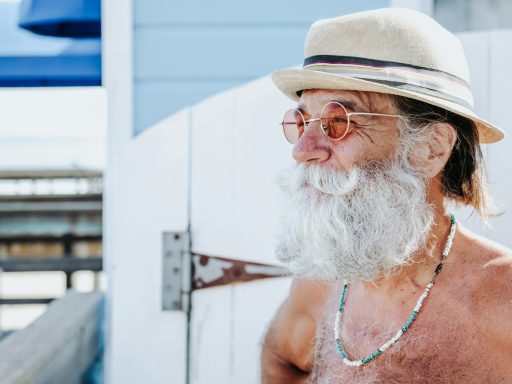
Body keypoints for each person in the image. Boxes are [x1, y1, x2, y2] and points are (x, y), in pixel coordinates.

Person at [260, 8, 512, 384]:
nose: (303, 149)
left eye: (338, 121)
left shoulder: (503, 301)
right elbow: (281, 357)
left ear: (430, 147)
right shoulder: (321, 281)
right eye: (301, 123)